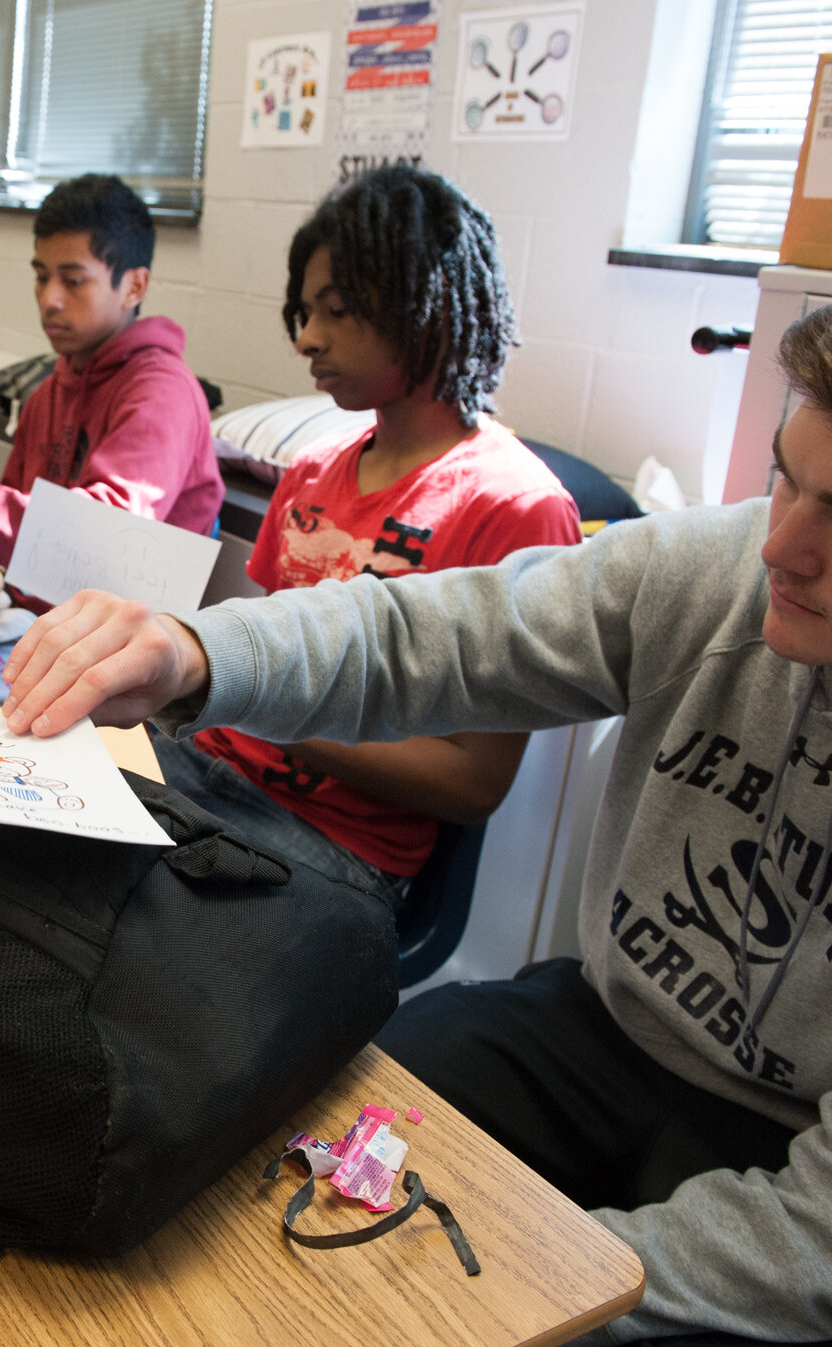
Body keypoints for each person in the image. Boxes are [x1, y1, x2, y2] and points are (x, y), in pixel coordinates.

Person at [0, 233, 832, 1347]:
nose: (781, 548)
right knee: (271, 1154)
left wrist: (535, 1285)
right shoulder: (721, 570)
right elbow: (428, 634)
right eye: (786, 476)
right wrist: (197, 649)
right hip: (615, 1029)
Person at [168, 167, 580, 905]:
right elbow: (263, 646)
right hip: (208, 770)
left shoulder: (517, 508)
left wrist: (253, 696)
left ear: (428, 306)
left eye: (338, 309)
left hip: (332, 843)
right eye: (303, 310)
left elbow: (472, 782)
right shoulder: (313, 471)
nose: (308, 338)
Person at [0, 174, 223, 575]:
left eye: (73, 281)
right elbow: (15, 531)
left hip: (113, 632)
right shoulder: (49, 393)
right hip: (29, 613)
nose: (49, 299)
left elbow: (106, 541)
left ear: (134, 287)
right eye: (41, 277)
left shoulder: (162, 393)